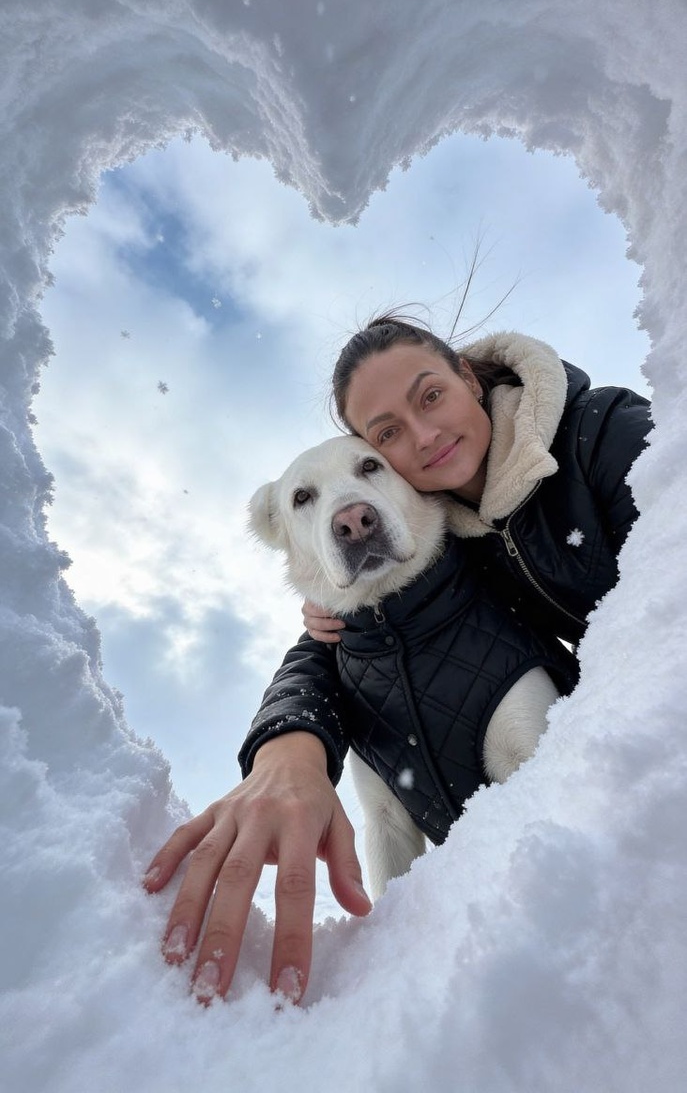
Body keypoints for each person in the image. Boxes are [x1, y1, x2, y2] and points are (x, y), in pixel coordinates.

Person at [143, 315, 652, 1006]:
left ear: (467, 377)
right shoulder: (435, 551)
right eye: (385, 435)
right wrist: (284, 746)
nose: (350, 514)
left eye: (430, 396)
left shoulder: (599, 433)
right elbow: (352, 643)